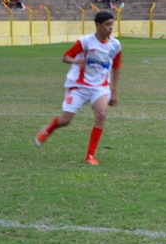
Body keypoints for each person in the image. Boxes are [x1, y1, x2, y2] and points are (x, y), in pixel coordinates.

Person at [34, 11, 122, 165]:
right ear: (98, 25)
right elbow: (65, 56)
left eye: (112, 24)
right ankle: (49, 128)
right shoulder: (85, 42)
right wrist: (76, 60)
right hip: (79, 86)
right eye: (107, 24)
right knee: (65, 121)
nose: (110, 28)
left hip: (100, 87)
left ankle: (90, 155)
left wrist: (114, 92)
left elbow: (116, 67)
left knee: (101, 114)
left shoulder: (115, 45)